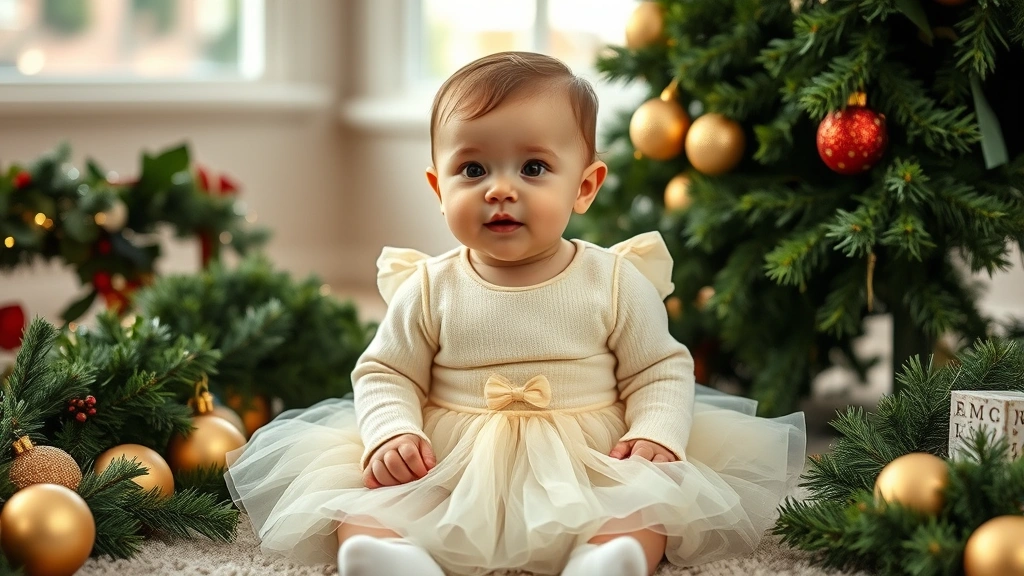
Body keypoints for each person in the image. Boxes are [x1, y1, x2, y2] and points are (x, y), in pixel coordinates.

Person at [225, 51, 806, 576]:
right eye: (473, 170)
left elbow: (658, 369)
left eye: (532, 168)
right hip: (450, 460)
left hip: (589, 459)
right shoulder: (428, 286)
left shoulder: (613, 281)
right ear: (438, 187)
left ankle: (610, 559)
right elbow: (385, 372)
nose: (499, 190)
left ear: (585, 187)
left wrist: (654, 434)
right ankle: (389, 557)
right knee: (364, 506)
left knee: (644, 506)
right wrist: (392, 433)